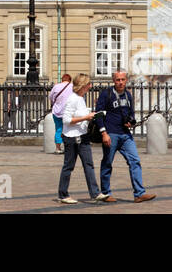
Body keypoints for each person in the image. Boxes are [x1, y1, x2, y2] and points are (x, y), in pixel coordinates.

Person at [94, 70, 155, 203]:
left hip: (125, 135)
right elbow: (98, 114)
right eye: (118, 80)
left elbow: (131, 113)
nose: (120, 82)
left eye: (122, 79)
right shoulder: (106, 94)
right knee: (107, 163)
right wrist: (104, 133)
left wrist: (131, 122)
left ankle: (139, 193)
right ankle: (105, 193)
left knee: (135, 161)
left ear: (126, 80)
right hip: (111, 133)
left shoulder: (128, 95)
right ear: (113, 81)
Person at [56, 75, 104, 204]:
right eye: (88, 84)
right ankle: (63, 194)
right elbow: (66, 120)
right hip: (72, 137)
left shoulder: (81, 99)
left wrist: (91, 115)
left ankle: (95, 193)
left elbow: (80, 114)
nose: (90, 86)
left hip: (83, 136)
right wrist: (85, 118)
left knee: (89, 165)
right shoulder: (73, 99)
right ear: (83, 86)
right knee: (69, 166)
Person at [48, 73, 74, 152]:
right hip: (68, 112)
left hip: (57, 111)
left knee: (58, 129)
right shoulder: (72, 86)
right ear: (69, 80)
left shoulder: (56, 86)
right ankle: (68, 148)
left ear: (62, 79)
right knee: (68, 130)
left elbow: (51, 97)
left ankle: (58, 148)